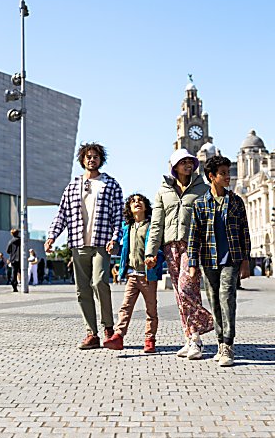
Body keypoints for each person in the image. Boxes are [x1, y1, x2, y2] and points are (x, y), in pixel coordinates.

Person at [44, 142, 123, 350]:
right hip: (78, 244)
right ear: (82, 160)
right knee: (82, 290)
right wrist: (52, 236)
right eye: (88, 156)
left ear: (100, 160)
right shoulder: (72, 187)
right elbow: (62, 214)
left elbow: (118, 216)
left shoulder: (110, 184)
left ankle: (108, 328)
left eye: (95, 157)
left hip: (102, 243)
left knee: (99, 282)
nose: (91, 160)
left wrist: (115, 238)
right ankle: (92, 333)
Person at [145, 149, 213, 359]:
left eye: (190, 162)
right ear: (174, 166)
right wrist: (151, 251)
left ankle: (202, 332)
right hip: (170, 247)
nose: (188, 165)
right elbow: (157, 224)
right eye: (183, 162)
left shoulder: (203, 188)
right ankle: (190, 338)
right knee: (180, 293)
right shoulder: (163, 190)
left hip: (193, 245)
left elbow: (209, 219)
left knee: (187, 288)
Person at [188, 155, 251, 367]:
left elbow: (244, 232)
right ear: (211, 177)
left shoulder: (236, 202)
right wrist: (192, 263)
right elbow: (194, 235)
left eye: (228, 173)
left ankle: (228, 345)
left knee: (227, 298)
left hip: (231, 258)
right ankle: (219, 342)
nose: (228, 177)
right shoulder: (201, 204)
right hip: (209, 260)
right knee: (214, 300)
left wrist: (245, 260)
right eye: (222, 173)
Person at [104, 193, 164, 353]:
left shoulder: (152, 226)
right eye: (133, 202)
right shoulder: (127, 228)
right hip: (132, 275)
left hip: (147, 275)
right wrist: (113, 247)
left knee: (151, 309)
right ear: (129, 209)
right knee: (125, 307)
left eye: (140, 201)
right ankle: (118, 336)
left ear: (146, 206)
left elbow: (159, 247)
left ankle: (150, 339)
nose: (137, 203)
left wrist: (155, 259)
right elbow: (123, 249)